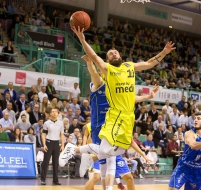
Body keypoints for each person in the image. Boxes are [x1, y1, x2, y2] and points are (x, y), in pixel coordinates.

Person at [60, 55, 155, 190]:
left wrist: (148, 96)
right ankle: (77, 151)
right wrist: (90, 63)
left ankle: (89, 161)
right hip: (100, 126)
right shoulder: (98, 83)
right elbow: (94, 73)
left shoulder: (116, 85)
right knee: (100, 173)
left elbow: (131, 98)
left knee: (113, 165)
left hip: (114, 125)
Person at [168, 112, 201, 190]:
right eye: (195, 118)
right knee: (172, 189)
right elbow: (193, 145)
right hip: (184, 167)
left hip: (199, 170)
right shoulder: (189, 133)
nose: (195, 120)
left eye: (198, 118)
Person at [40, 108, 65, 185]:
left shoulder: (61, 123)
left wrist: (62, 145)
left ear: (58, 113)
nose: (54, 113)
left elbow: (62, 134)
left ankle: (55, 180)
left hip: (56, 143)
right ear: (50, 113)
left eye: (56, 112)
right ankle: (43, 179)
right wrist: (44, 145)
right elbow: (43, 134)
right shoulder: (46, 123)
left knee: (55, 162)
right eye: (52, 112)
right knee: (46, 161)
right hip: (49, 142)